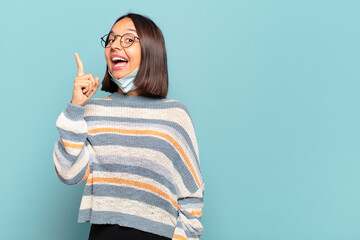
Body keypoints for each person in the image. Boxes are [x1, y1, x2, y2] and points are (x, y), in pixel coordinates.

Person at [52, 12, 205, 240]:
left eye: (128, 39)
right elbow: (69, 173)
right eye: (111, 39)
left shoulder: (175, 115)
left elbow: (191, 195)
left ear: (151, 50)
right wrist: (75, 108)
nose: (115, 45)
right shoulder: (93, 111)